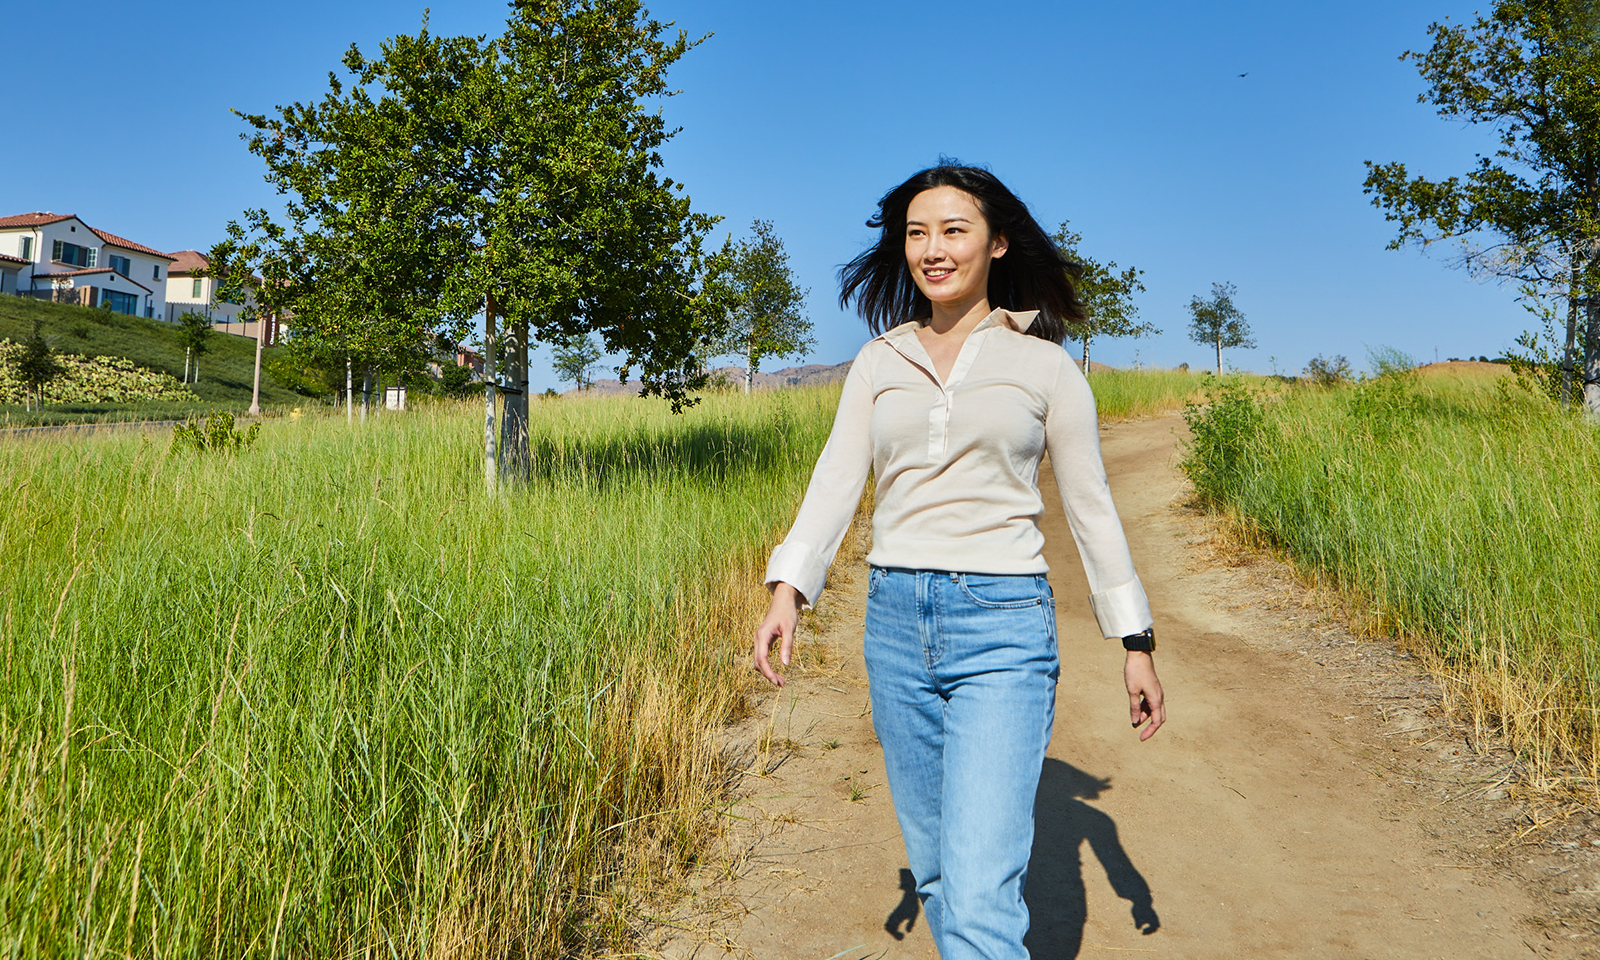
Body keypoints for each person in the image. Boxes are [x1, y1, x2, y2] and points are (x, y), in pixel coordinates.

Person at [752, 163, 1165, 960]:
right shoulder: (879, 361)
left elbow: (1091, 508)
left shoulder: (1049, 368)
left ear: (998, 243)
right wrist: (787, 591)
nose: (932, 249)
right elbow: (837, 481)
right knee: (941, 874)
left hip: (1004, 624)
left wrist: (1135, 639)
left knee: (978, 892)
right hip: (895, 623)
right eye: (916, 233)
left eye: (953, 230)